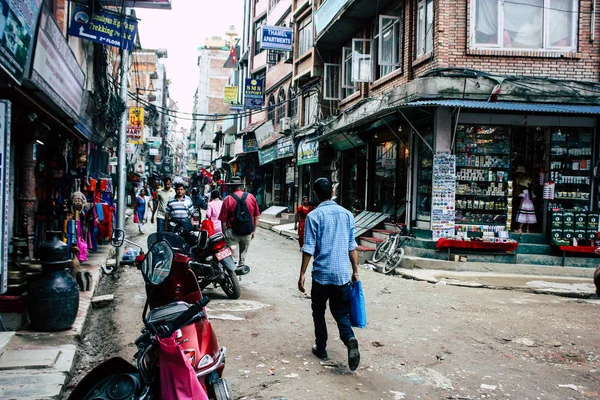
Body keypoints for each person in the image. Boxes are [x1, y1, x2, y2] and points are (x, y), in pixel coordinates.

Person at [298, 177, 360, 371]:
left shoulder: (314, 216)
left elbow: (309, 248)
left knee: (319, 311)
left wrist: (302, 274)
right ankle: (349, 338)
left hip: (321, 276)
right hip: (342, 274)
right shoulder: (347, 215)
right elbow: (352, 246)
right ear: (332, 193)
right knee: (341, 312)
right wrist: (355, 271)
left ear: (315, 194)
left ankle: (321, 347)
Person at [218, 177, 260, 266]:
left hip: (232, 232)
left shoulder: (228, 199)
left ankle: (235, 276)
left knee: (233, 257)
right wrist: (253, 231)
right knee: (243, 255)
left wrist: (224, 233)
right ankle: (242, 267)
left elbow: (223, 220)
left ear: (231, 187)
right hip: (247, 231)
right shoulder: (251, 197)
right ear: (241, 186)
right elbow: (256, 216)